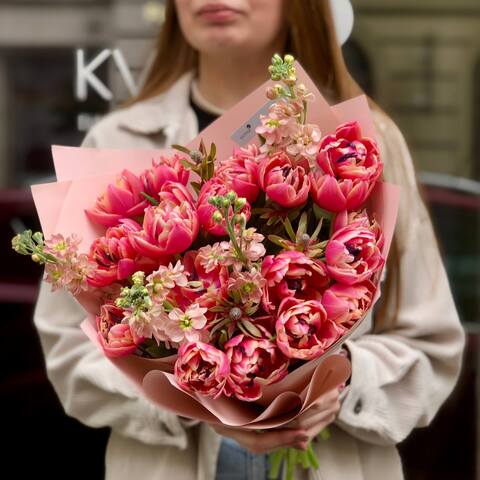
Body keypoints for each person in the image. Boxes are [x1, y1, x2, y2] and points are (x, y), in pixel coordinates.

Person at [33, 1, 465, 479]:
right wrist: (186, 397)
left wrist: (337, 384)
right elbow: (70, 353)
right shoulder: (112, 143)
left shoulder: (364, 145)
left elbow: (432, 346)